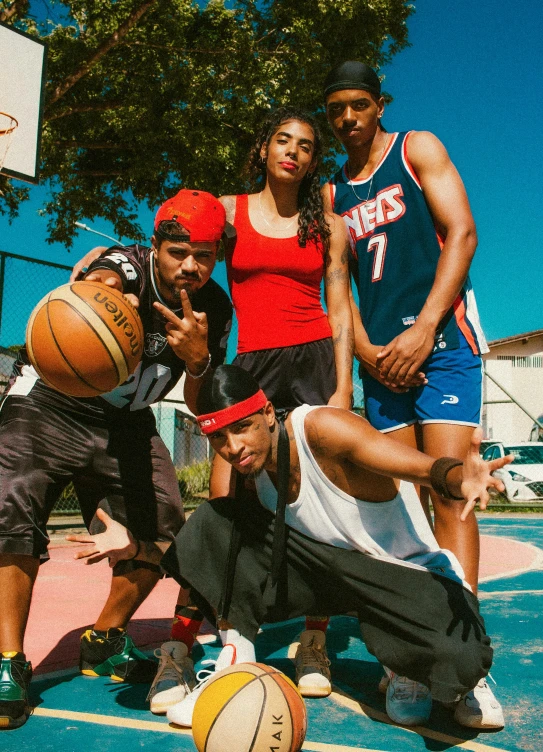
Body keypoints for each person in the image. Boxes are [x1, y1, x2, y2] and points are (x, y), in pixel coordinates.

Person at [89, 364, 508, 729]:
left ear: (268, 414)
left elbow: (408, 462)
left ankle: (409, 664)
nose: (232, 448)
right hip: (327, 575)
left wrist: (457, 477)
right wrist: (139, 547)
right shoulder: (254, 474)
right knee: (217, 520)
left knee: (463, 661)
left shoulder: (320, 429)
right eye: (220, 439)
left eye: (242, 428)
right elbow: (221, 556)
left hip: (402, 573)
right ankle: (236, 663)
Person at [0, 189, 232, 730]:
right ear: (155, 247)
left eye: (205, 253)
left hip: (127, 422)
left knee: (169, 530)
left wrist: (196, 360)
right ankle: (8, 660)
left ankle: (104, 639)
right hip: (52, 402)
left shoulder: (213, 309)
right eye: (179, 251)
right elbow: (104, 277)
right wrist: (105, 297)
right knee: (10, 499)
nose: (191, 265)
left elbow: (197, 405)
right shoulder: (126, 266)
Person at [321, 61, 502, 727]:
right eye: (336, 108)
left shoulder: (415, 147)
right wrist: (367, 353)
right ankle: (405, 657)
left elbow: (463, 234)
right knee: (397, 510)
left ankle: (466, 657)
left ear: (378, 104)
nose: (347, 119)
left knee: (451, 491)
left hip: (442, 345)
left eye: (358, 105)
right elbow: (337, 280)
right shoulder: (331, 193)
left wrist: (424, 328)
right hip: (379, 363)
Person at [214, 106, 353, 698]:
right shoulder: (227, 211)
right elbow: (174, 256)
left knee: (320, 497)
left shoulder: (330, 225)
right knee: (236, 495)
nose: (292, 151)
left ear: (312, 159)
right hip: (254, 364)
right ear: (265, 149)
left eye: (304, 145)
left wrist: (343, 388)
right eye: (282, 140)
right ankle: (233, 632)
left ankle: (315, 636)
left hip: (316, 356)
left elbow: (341, 308)